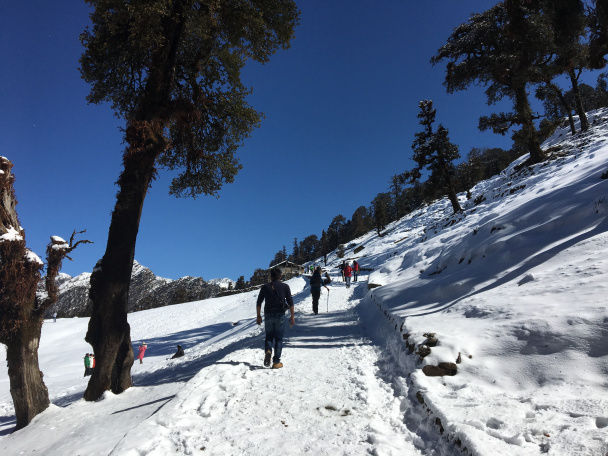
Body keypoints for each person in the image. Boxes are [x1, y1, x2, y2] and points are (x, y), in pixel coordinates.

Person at [256, 268, 295, 369]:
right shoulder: (285, 286)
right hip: (280, 315)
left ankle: (268, 351)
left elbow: (259, 302)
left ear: (271, 276)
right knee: (278, 338)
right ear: (280, 276)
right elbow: (290, 302)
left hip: (268, 314)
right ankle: (276, 362)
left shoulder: (265, 287)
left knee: (269, 337)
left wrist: (258, 316)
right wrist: (292, 316)